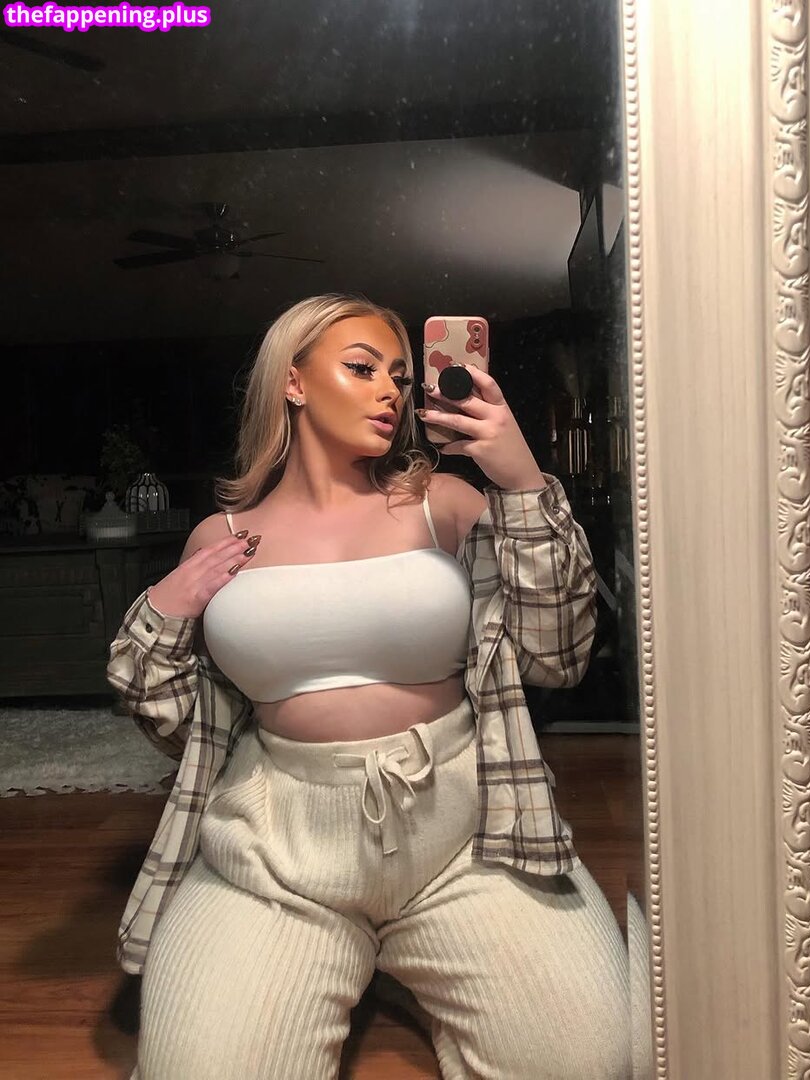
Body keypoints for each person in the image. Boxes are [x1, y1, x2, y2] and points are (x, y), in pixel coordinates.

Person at [107, 293, 631, 1079]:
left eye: (400, 376)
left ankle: (402, 953)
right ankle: (353, 955)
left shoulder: (443, 505)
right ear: (292, 382)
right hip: (276, 846)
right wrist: (164, 610)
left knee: (593, 1061)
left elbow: (557, 653)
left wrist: (521, 480)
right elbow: (177, 726)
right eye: (361, 368)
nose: (390, 391)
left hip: (468, 838)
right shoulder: (221, 537)